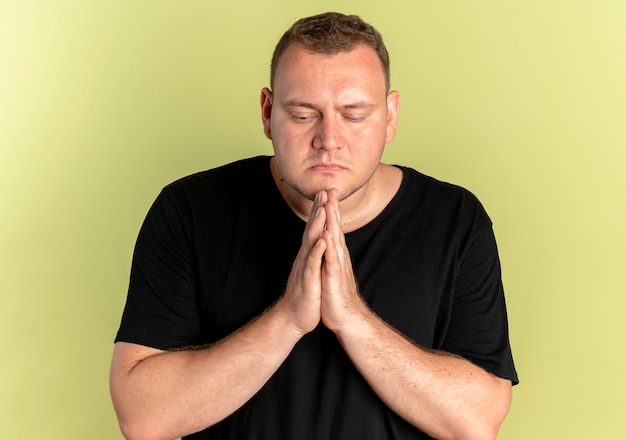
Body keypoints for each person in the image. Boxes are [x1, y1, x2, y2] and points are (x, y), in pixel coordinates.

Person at [110, 11, 518, 440]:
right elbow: (142, 418)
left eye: (354, 114)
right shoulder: (188, 211)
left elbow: (476, 421)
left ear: (391, 115)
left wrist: (353, 320)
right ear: (267, 112)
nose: (329, 139)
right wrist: (287, 318)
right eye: (304, 114)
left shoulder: (455, 220)